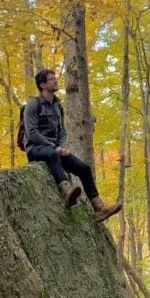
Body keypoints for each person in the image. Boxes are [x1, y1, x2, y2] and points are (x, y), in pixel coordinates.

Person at [23, 69, 122, 222]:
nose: (55, 81)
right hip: (36, 148)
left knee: (84, 168)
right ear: (42, 85)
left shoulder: (58, 106)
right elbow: (32, 132)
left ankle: (99, 208)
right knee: (52, 154)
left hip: (55, 149)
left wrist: (62, 146)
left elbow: (62, 131)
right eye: (51, 79)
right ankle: (66, 191)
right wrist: (53, 146)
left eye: (55, 78)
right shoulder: (32, 104)